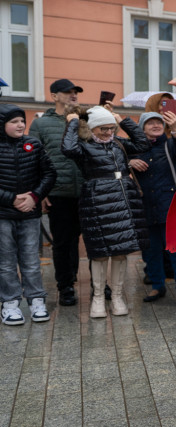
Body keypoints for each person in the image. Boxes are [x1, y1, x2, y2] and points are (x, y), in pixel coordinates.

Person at [62, 106, 149, 318]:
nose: (109, 132)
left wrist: (122, 120)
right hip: (97, 201)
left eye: (112, 128)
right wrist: (73, 123)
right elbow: (68, 148)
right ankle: (99, 298)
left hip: (123, 199)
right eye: (103, 128)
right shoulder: (84, 146)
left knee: (120, 250)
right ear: (92, 128)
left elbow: (142, 143)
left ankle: (117, 297)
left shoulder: (118, 143)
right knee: (99, 253)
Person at [29, 78, 84, 307]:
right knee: (62, 241)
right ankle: (65, 286)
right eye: (67, 92)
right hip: (58, 191)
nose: (73, 95)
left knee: (85, 240)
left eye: (75, 92)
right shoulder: (41, 124)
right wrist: (40, 193)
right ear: (54, 96)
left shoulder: (84, 119)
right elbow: (33, 161)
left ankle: (87, 281)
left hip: (85, 190)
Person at [0, 104, 56, 325]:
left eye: (22, 121)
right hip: (3, 214)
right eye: (14, 122)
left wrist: (34, 196)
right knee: (5, 261)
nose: (20, 125)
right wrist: (11, 199)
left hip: (30, 214)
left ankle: (36, 301)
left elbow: (50, 174)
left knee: (31, 260)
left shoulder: (33, 144)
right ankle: (10, 303)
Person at [129, 111, 176, 306]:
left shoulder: (170, 144)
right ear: (142, 128)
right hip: (145, 205)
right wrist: (129, 162)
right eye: (150, 123)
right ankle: (157, 285)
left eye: (159, 122)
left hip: (169, 205)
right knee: (151, 251)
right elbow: (116, 161)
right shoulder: (134, 148)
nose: (156, 125)